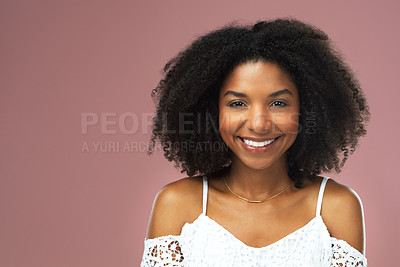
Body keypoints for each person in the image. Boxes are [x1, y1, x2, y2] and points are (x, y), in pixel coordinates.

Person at [141, 18, 370, 266]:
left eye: (278, 103)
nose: (259, 124)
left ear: (307, 110)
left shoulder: (335, 208)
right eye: (238, 104)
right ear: (210, 111)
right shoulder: (177, 204)